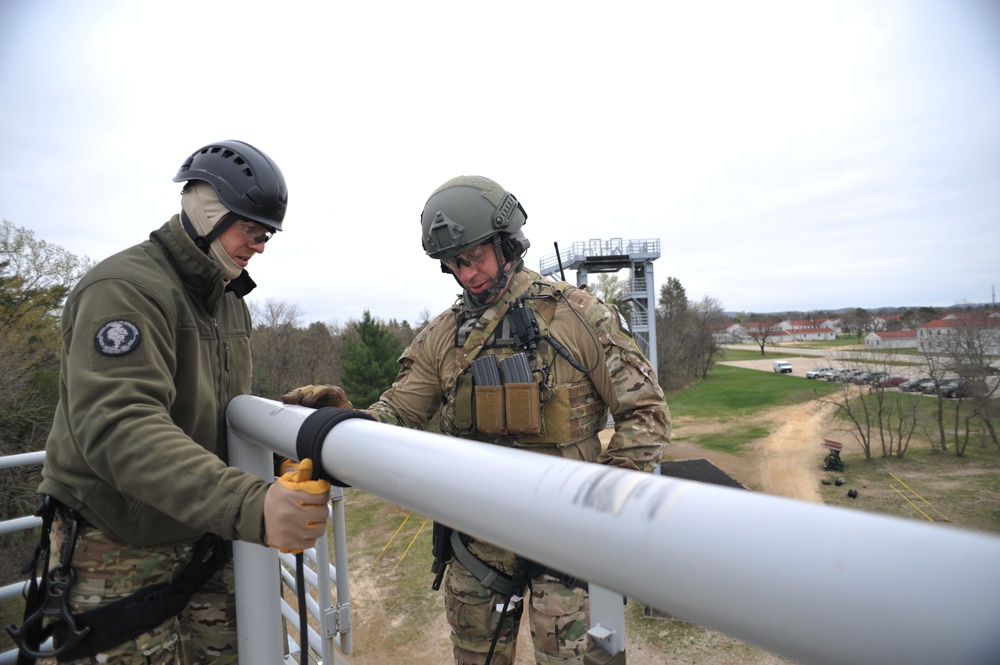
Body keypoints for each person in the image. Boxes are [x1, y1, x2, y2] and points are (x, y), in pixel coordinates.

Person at [282, 175, 671, 665]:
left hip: (570, 535)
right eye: (454, 263)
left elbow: (646, 413)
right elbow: (398, 413)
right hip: (477, 544)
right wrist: (339, 423)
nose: (468, 274)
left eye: (476, 257)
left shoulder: (577, 317)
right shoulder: (444, 336)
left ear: (508, 244)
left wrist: (605, 501)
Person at [15, 141, 329, 664]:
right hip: (118, 543)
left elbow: (217, 412)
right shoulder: (125, 290)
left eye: (266, 234)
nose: (260, 246)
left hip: (202, 541)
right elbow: (119, 426)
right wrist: (251, 503)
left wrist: (293, 427)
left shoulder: (228, 302)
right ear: (208, 212)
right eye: (252, 230)